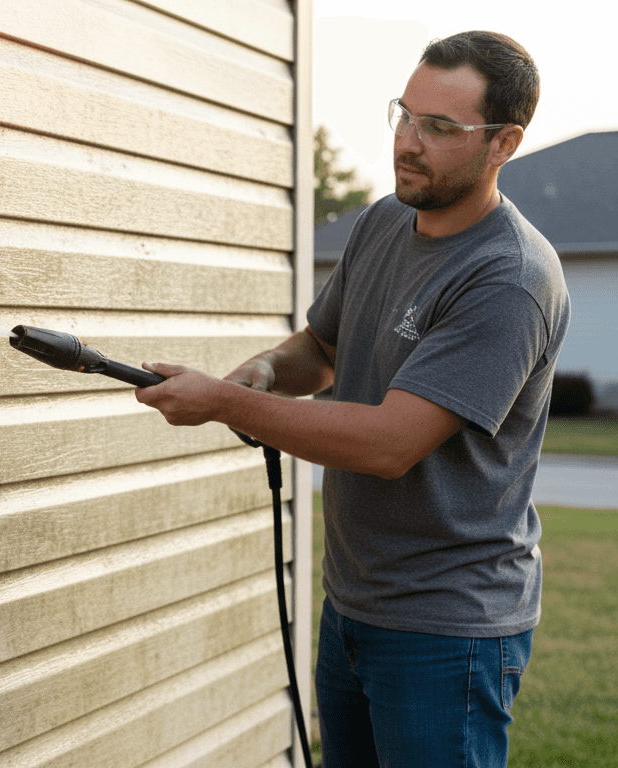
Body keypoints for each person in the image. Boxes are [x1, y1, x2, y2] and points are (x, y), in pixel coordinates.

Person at [134, 31, 568, 768]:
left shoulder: (510, 278)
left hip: (447, 629)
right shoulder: (384, 222)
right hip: (355, 609)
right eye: (404, 114)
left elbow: (388, 444)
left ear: (504, 143)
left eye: (440, 128)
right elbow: (325, 350)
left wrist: (225, 405)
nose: (408, 142)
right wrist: (265, 374)